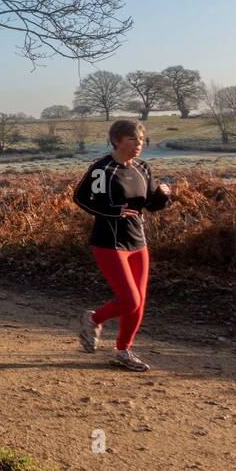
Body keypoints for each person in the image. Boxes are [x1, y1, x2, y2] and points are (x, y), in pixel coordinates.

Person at [73, 119, 172, 372]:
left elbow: (149, 205)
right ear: (117, 140)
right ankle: (93, 319)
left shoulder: (142, 168)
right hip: (109, 242)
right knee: (129, 300)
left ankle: (123, 350)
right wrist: (114, 210)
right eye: (132, 139)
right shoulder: (103, 169)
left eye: (140, 140)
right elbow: (81, 198)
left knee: (139, 302)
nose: (138, 144)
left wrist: (164, 195)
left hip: (138, 242)